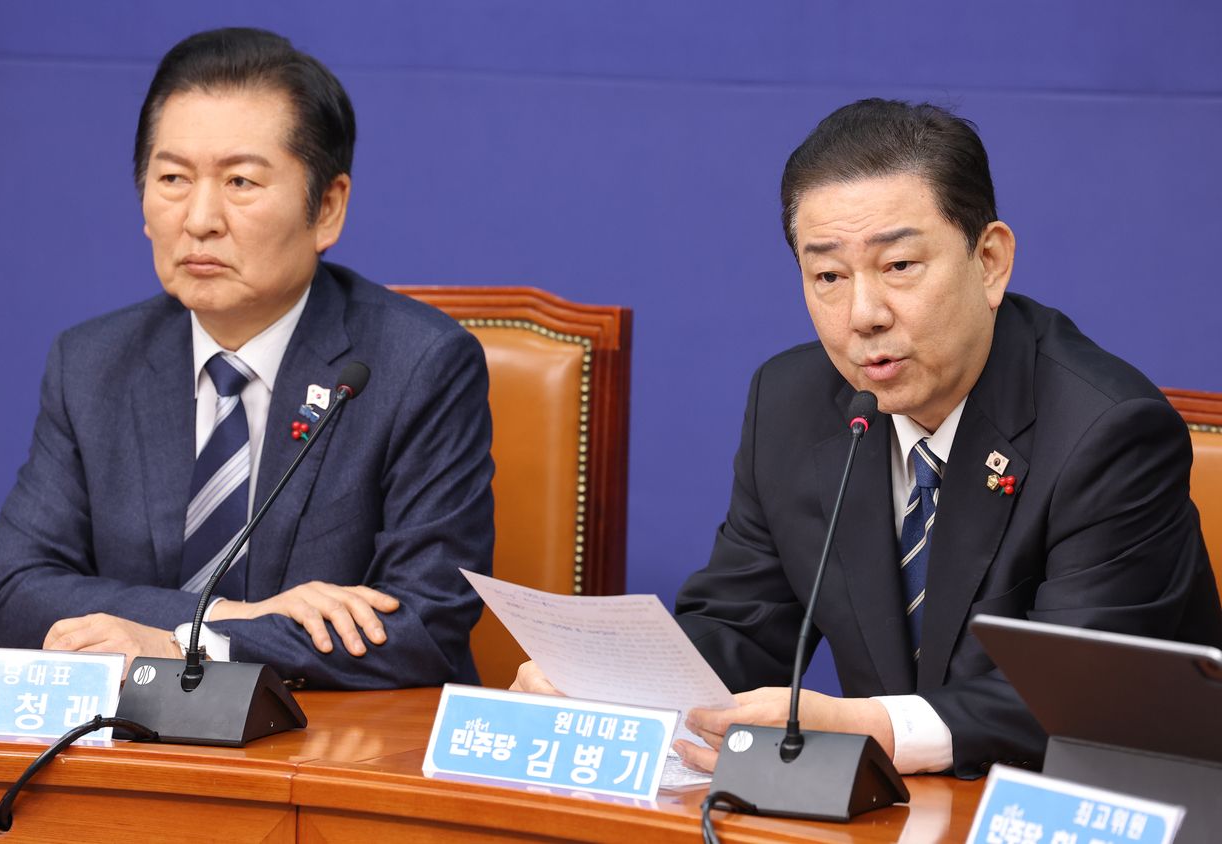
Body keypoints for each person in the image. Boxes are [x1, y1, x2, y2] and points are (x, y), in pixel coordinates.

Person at [514, 99, 1222, 777]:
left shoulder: (1106, 432)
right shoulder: (793, 402)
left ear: (990, 262)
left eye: (899, 266)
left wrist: (876, 729)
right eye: (827, 275)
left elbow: (1082, 700)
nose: (863, 314)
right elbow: (743, 627)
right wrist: (610, 682)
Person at [0, 28, 495, 690]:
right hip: (128, 746)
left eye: (241, 181)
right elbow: (13, 595)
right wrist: (220, 621)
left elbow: (423, 621)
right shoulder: (93, 364)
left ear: (328, 208)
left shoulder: (417, 365)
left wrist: (196, 642)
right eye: (172, 178)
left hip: (329, 752)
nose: (199, 218)